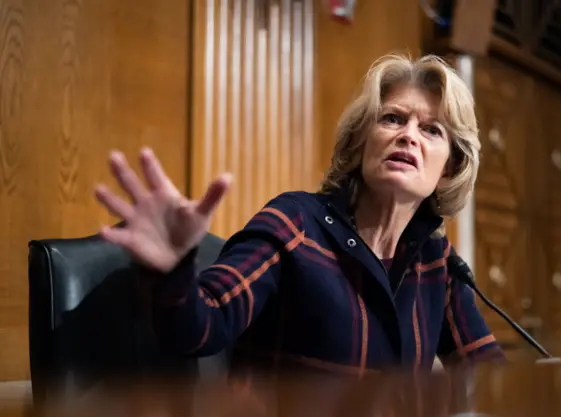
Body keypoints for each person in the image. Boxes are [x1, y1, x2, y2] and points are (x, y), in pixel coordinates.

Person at [94, 54, 503, 375]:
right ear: (361, 143)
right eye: (392, 118)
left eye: (431, 130)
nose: (408, 135)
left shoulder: (435, 262)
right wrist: (174, 272)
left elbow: (489, 378)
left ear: (449, 167)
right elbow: (203, 326)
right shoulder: (295, 224)